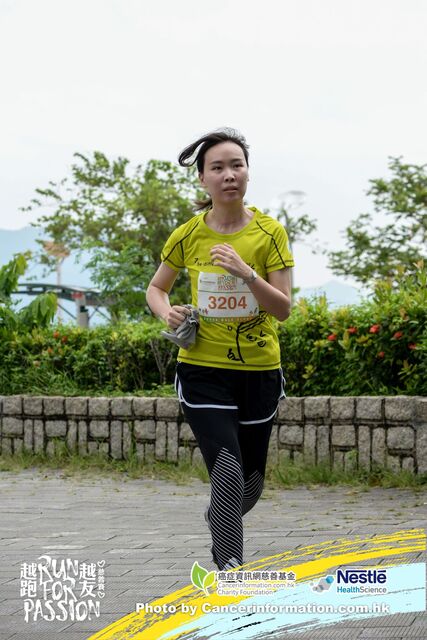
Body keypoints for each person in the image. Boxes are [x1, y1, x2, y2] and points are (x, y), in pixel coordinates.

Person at [146, 128, 294, 571]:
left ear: (247, 173)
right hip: (202, 370)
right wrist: (167, 313)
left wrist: (247, 274)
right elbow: (156, 288)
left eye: (237, 165)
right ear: (203, 179)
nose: (229, 174)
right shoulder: (187, 235)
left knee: (250, 484)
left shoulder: (270, 233)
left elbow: (283, 309)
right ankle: (231, 574)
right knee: (227, 471)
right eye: (218, 167)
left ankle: (220, 517)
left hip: (259, 371)